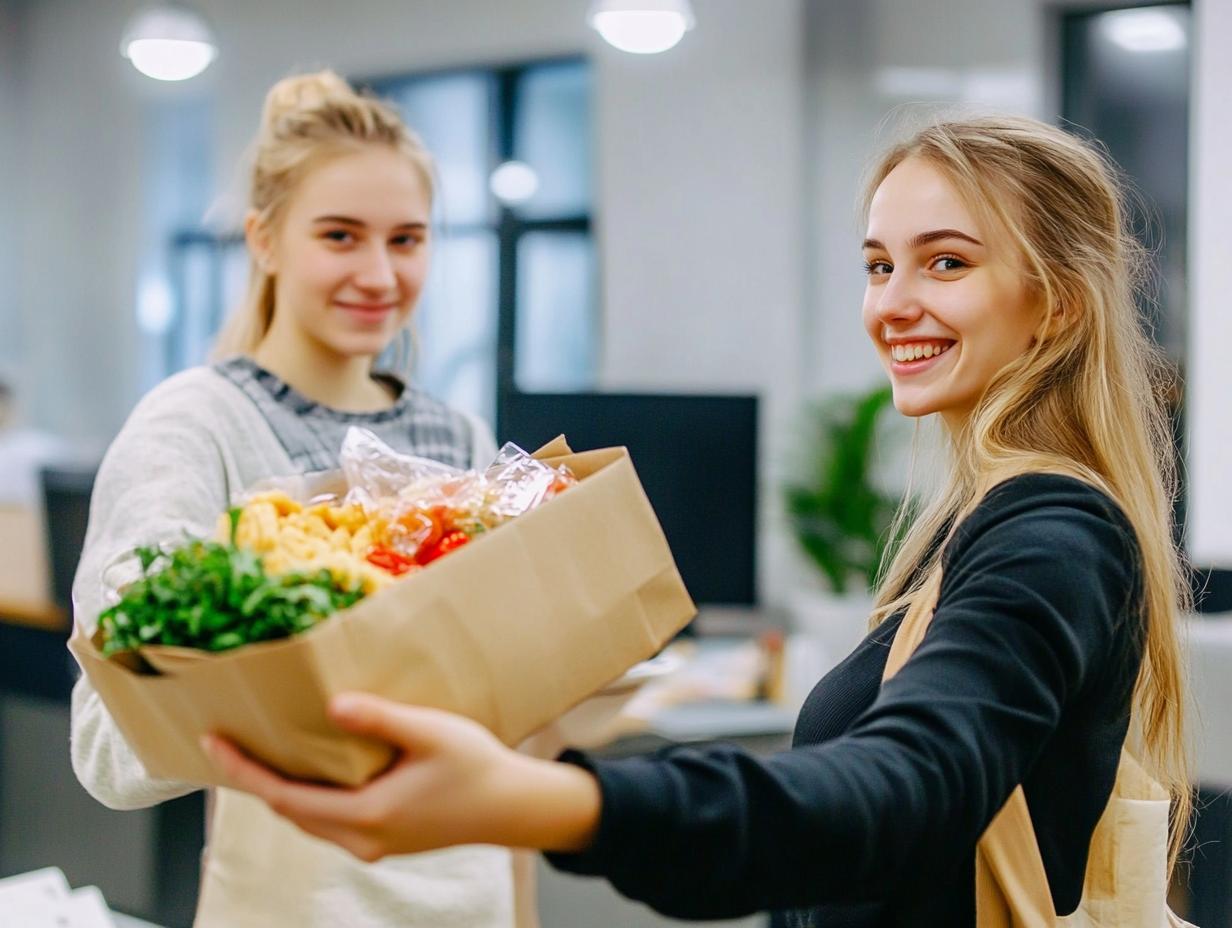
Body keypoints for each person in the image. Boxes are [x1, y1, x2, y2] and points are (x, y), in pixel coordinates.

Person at [204, 115, 1193, 926]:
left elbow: (901, 791)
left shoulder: (1051, 530)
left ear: (1055, 305)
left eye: (943, 263)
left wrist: (552, 801)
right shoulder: (978, 519)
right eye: (877, 264)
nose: (890, 302)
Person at [69, 71, 526, 927]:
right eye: (341, 236)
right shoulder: (194, 426)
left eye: (408, 239)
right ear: (265, 240)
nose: (380, 273)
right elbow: (108, 740)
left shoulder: (461, 437)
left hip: (472, 897)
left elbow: (501, 719)